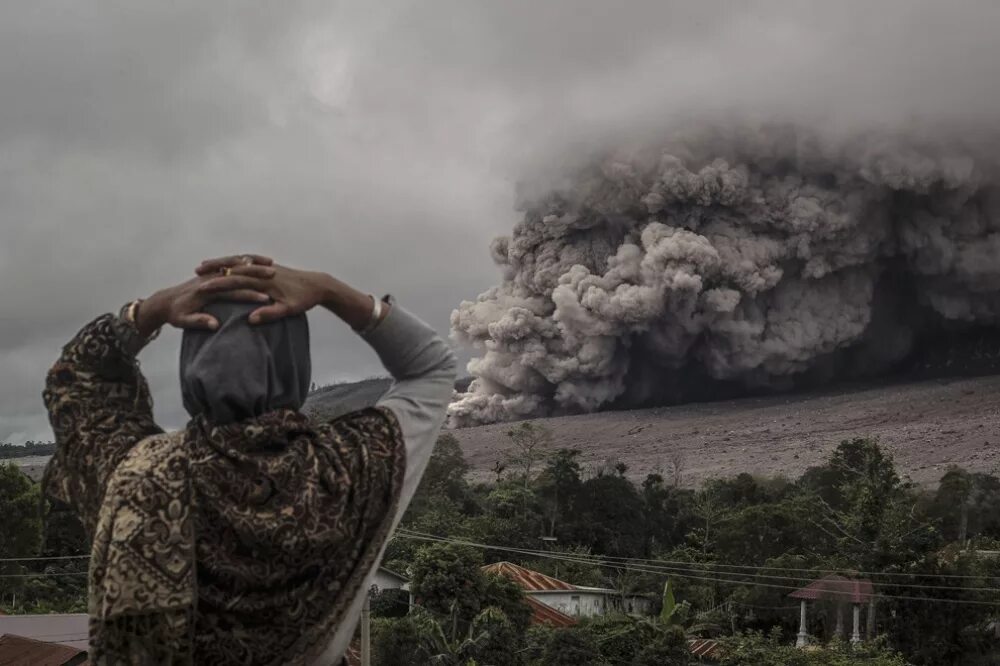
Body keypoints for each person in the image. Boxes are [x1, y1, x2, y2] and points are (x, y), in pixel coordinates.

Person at [42, 254, 457, 665]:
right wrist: (330, 289)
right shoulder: (355, 466)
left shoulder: (133, 471)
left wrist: (151, 309)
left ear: (190, 364)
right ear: (295, 363)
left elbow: (78, 378)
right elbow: (432, 368)